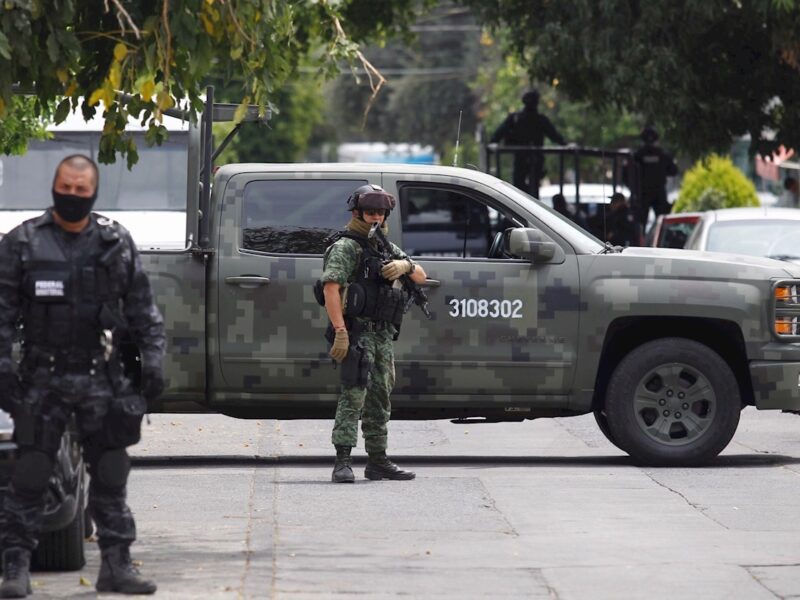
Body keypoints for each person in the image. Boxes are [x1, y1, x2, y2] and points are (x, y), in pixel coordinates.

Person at [0, 154, 165, 597]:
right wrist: (3, 372)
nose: (72, 195)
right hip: (42, 379)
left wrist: (153, 362)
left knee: (111, 472)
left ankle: (116, 565)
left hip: (100, 377)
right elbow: (1, 313)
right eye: (65, 188)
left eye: (80, 189)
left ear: (93, 192)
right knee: (32, 473)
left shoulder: (114, 242)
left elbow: (144, 312)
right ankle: (14, 568)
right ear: (55, 188)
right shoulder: (23, 243)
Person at [319, 184, 427, 483]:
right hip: (356, 333)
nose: (375, 217)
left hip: (381, 335)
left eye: (380, 212)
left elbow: (421, 275)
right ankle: (342, 461)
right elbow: (331, 289)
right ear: (357, 213)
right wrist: (341, 331)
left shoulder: (383, 246)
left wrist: (405, 266)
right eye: (370, 212)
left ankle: (377, 460)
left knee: (380, 398)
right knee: (353, 396)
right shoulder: (346, 246)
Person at [490, 90, 566, 198]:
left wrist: (565, 144)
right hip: (523, 159)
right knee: (521, 188)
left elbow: (554, 135)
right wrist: (493, 142)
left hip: (533, 159)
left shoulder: (537, 119)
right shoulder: (517, 118)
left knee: (530, 189)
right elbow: (499, 134)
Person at [628, 126, 678, 229]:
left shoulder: (637, 155)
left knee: (640, 225)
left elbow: (627, 175)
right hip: (658, 193)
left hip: (642, 194)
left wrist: (634, 188)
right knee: (662, 224)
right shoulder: (663, 155)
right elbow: (673, 171)